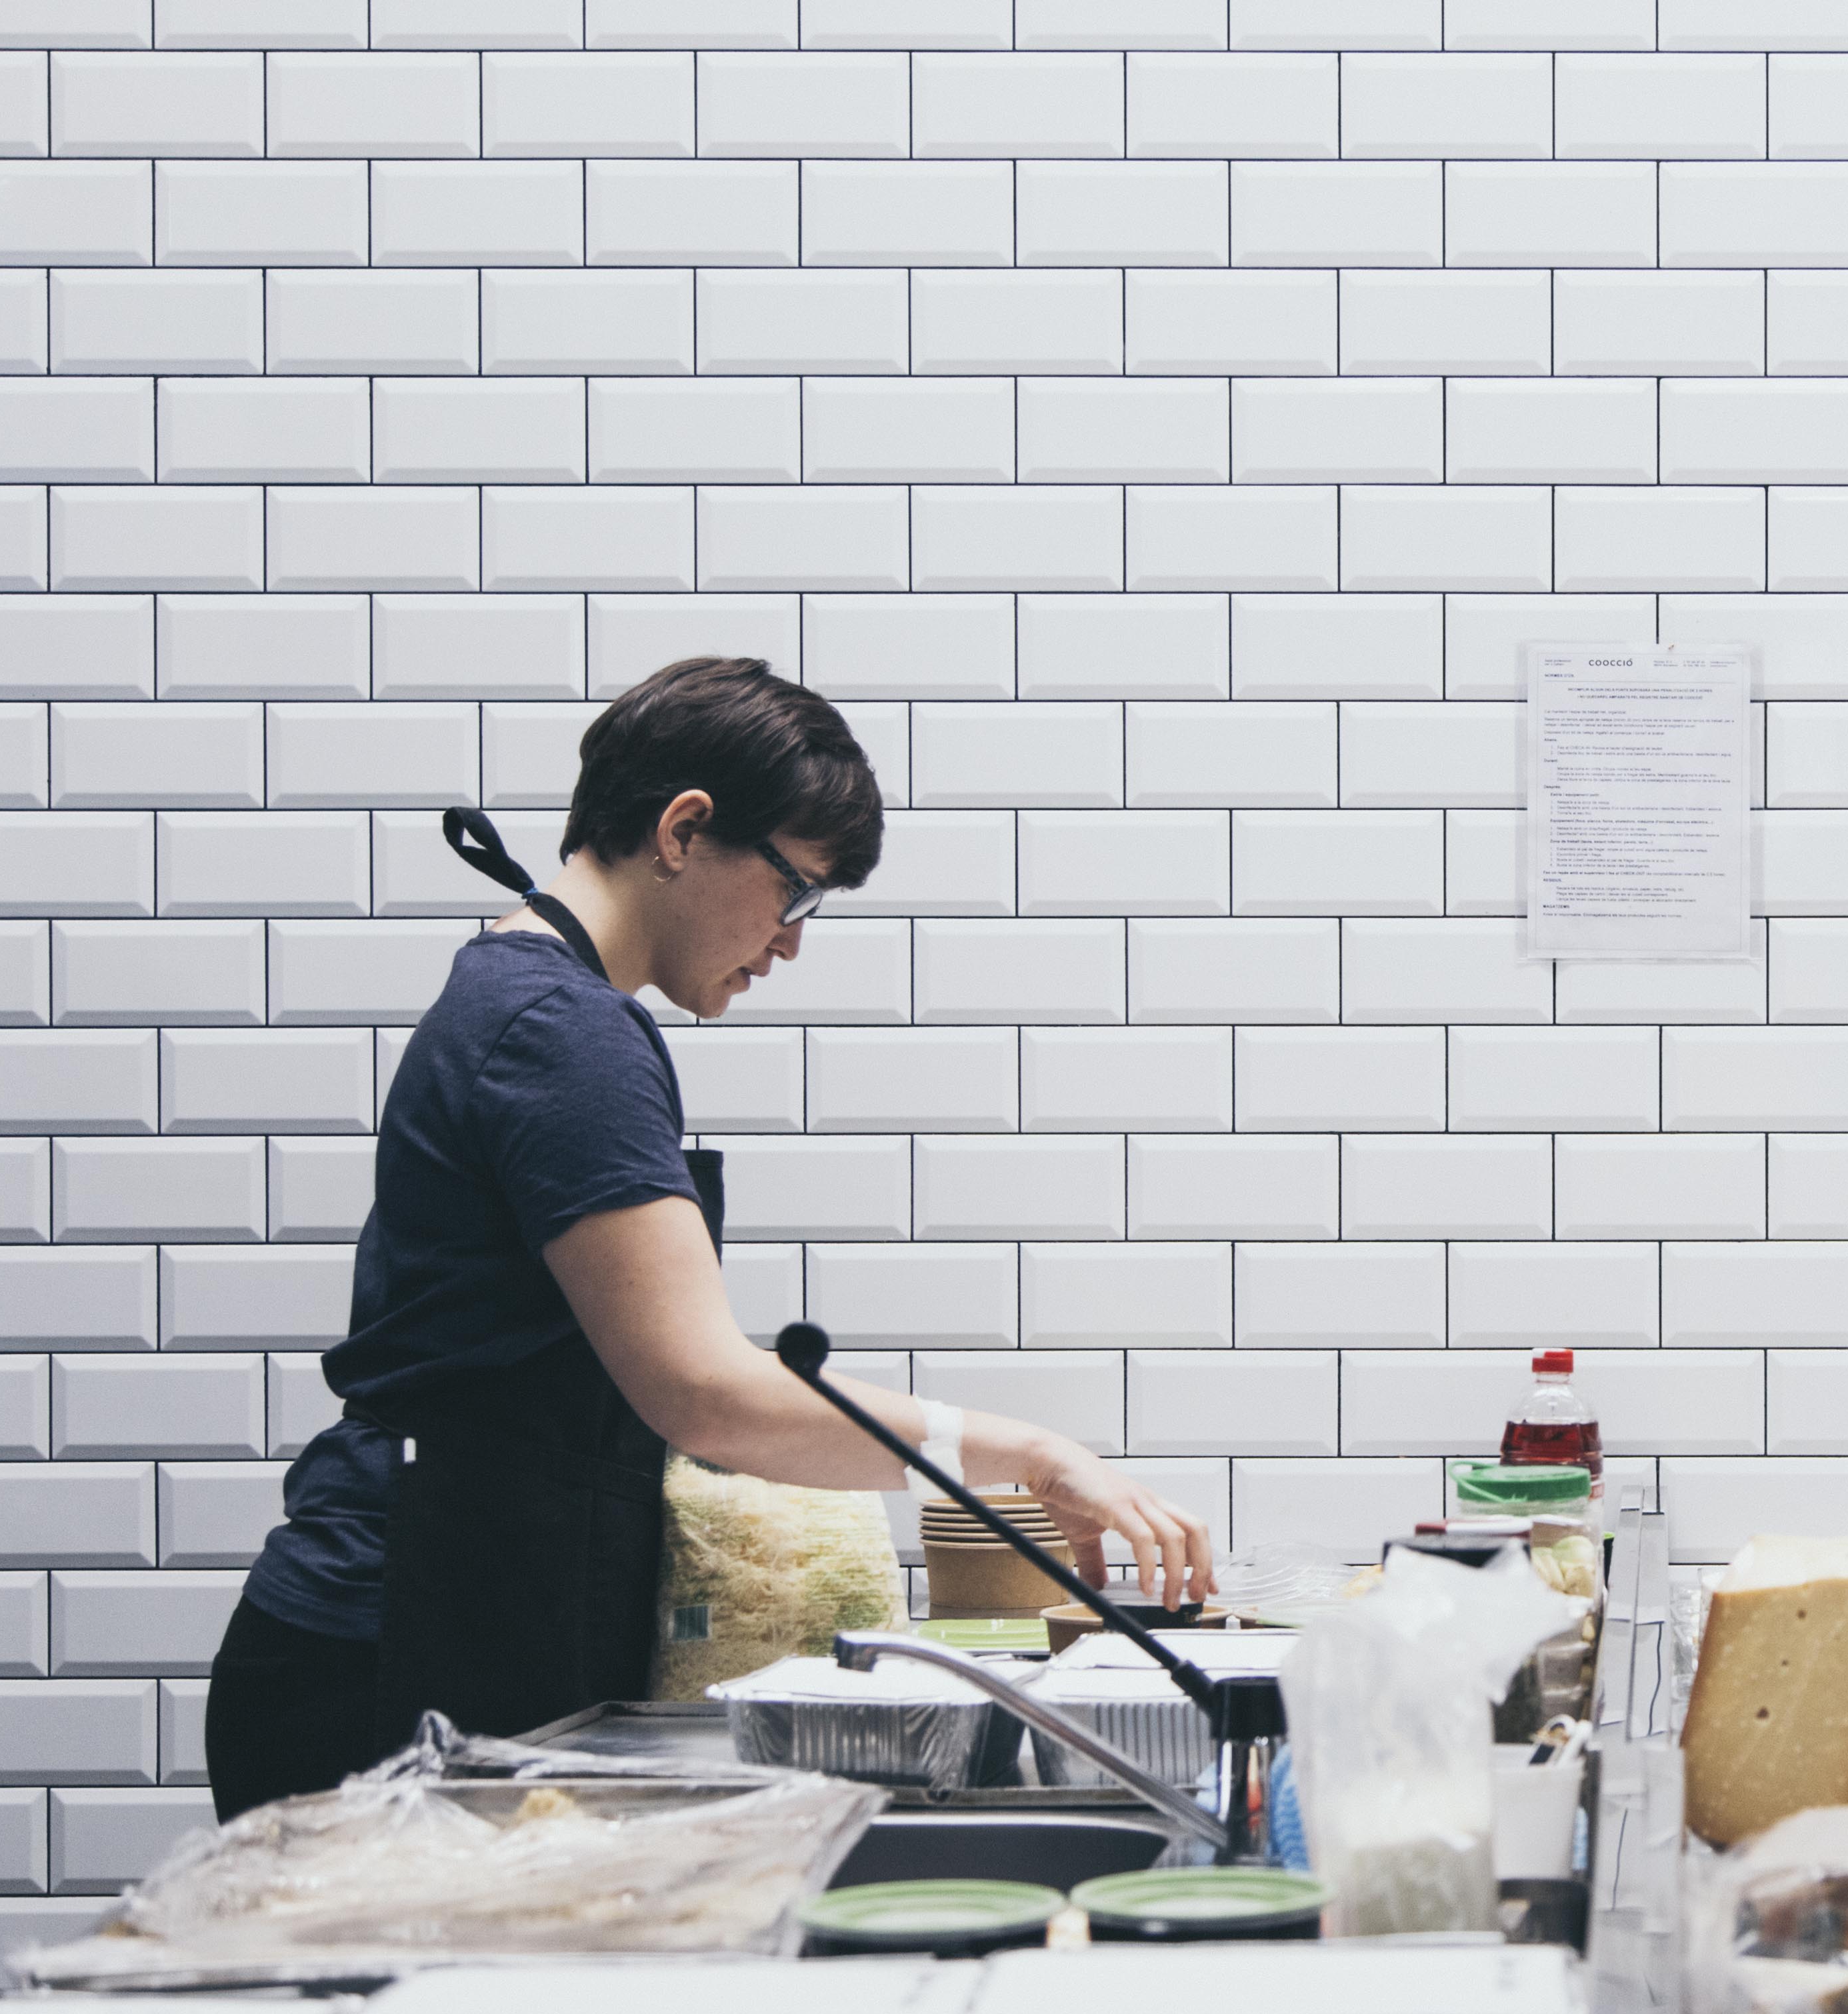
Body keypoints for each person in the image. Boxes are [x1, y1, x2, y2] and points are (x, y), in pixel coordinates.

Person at [207, 657, 1207, 1819]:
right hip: (388, 1659)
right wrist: (1034, 1458)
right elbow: (707, 1393)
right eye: (797, 892)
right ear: (684, 829)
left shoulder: (539, 1006)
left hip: (443, 1623)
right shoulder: (562, 1033)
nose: (789, 942)